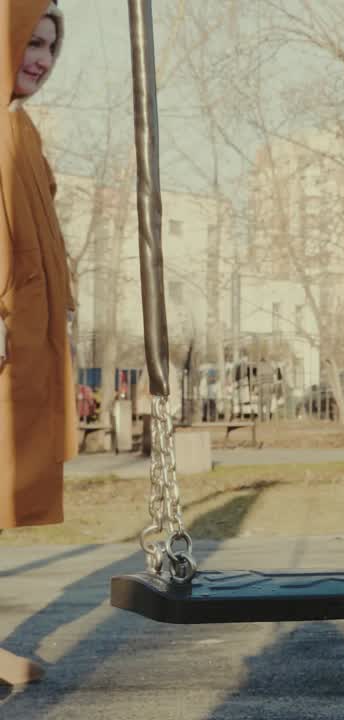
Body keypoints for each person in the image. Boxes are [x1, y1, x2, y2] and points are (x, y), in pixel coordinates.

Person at [0, 0, 69, 687]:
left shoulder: (22, 132)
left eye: (51, 46)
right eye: (31, 40)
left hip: (21, 345)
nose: (43, 58)